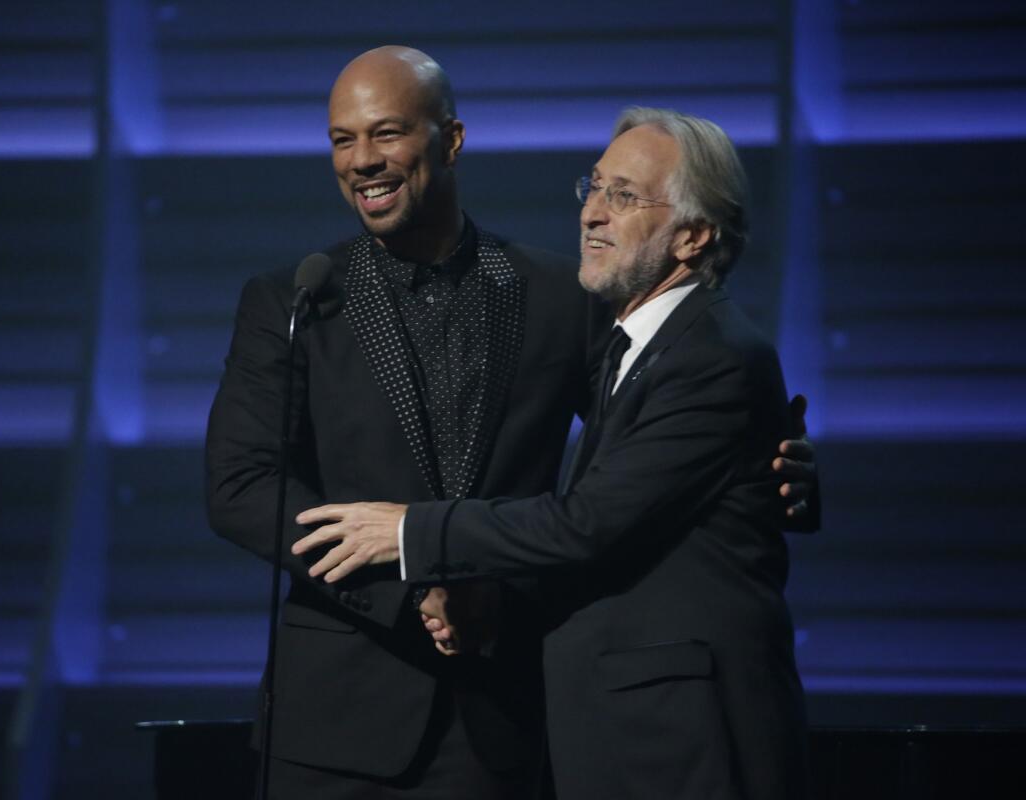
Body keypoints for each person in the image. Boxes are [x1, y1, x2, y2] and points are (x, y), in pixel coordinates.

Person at [207, 45, 816, 798]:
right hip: (336, 713)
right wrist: (408, 588)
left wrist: (771, 471)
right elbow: (241, 487)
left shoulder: (563, 296)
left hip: (501, 711)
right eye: (343, 139)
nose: (363, 159)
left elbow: (631, 458)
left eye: (387, 133)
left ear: (451, 140)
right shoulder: (296, 300)